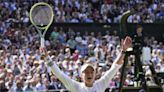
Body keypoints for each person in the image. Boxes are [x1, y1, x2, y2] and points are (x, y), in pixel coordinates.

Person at [41, 36, 132, 92]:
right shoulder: (76, 87)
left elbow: (115, 67)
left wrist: (123, 51)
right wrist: (47, 58)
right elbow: (59, 74)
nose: (89, 74)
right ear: (81, 76)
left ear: (95, 74)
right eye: (86, 72)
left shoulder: (101, 83)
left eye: (91, 72)